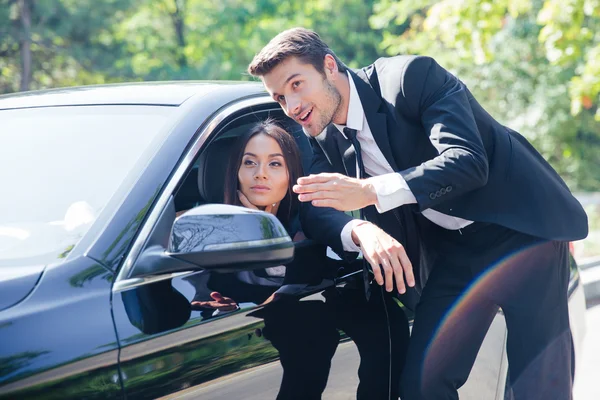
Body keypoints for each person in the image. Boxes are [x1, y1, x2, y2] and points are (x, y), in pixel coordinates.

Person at [248, 27, 589, 400]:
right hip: (454, 251)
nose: (291, 105)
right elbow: (314, 205)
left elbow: (468, 162)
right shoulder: (321, 134)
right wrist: (360, 228)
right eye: (280, 97)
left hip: (522, 233)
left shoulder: (410, 78)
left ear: (329, 66)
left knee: (538, 387)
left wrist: (370, 191)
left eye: (297, 84)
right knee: (422, 386)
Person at [187, 119, 410, 399]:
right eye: (250, 163)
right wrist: (208, 298)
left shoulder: (312, 223)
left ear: (292, 174)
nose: (261, 174)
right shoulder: (204, 227)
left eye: (275, 164)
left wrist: (266, 224)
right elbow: (195, 284)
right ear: (235, 171)